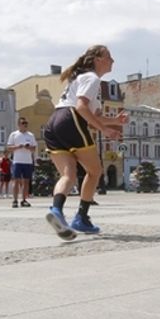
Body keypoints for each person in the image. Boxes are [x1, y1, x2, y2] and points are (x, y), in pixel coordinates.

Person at [43, 45, 127, 239]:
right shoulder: (92, 78)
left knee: (68, 174)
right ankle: (81, 217)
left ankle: (56, 210)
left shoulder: (80, 79)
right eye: (109, 57)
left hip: (54, 121)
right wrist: (104, 129)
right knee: (95, 170)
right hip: (71, 118)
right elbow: (81, 108)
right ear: (98, 59)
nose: (112, 61)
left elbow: (91, 113)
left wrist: (114, 121)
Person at [6, 117, 38, 207]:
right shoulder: (14, 134)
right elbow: (8, 147)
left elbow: (34, 148)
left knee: (26, 182)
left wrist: (28, 147)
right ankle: (15, 200)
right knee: (16, 181)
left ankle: (24, 200)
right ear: (19, 124)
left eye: (26, 123)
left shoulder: (30, 135)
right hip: (17, 161)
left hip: (27, 161)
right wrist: (18, 147)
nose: (25, 125)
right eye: (23, 123)